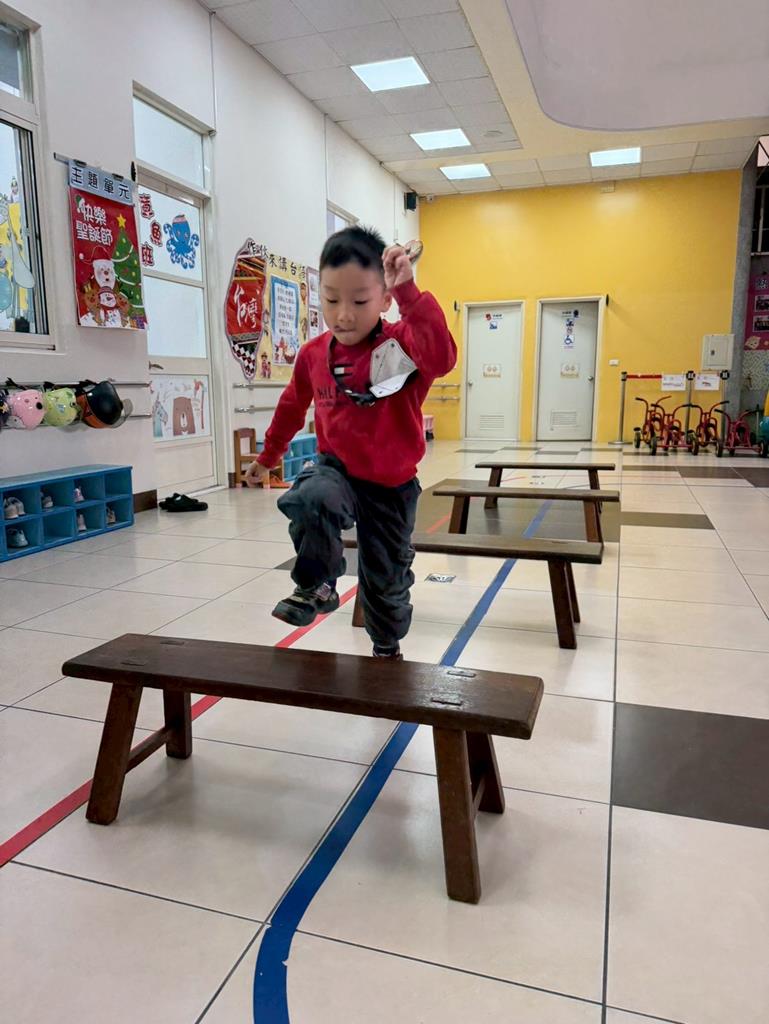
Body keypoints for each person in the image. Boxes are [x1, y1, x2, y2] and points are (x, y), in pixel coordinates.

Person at [246, 225, 456, 659]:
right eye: (330, 300)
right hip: (336, 472)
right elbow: (291, 406)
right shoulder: (313, 354)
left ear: (385, 298)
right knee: (310, 497)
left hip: (391, 487)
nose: (343, 315)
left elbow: (442, 357)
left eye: (359, 302)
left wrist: (411, 293)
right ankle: (317, 585)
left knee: (386, 580)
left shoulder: (403, 344)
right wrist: (268, 457)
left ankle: (386, 647)